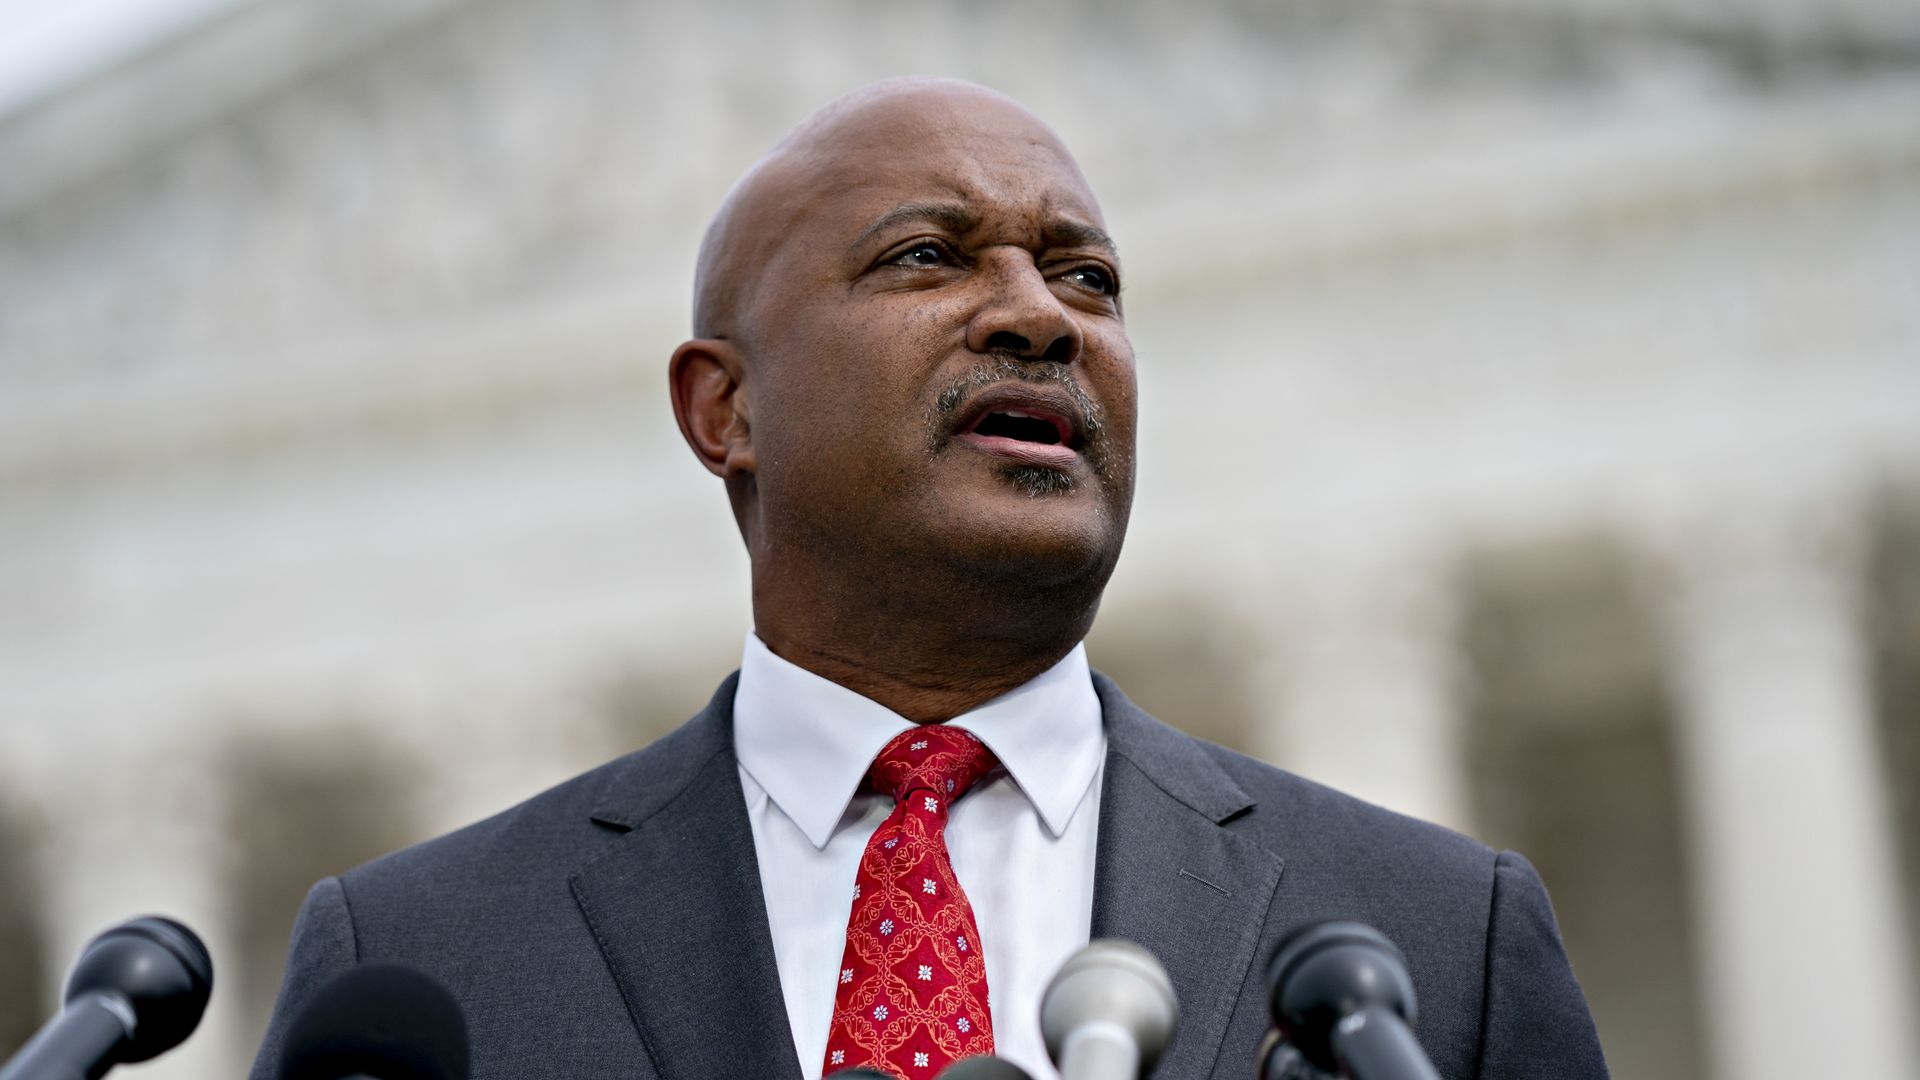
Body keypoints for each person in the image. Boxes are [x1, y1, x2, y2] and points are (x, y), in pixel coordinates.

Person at [251, 77, 1607, 1080]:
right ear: (725, 410)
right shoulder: (416, 967)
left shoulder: (1430, 944)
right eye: (927, 256)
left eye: (1088, 276)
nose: (1041, 315)